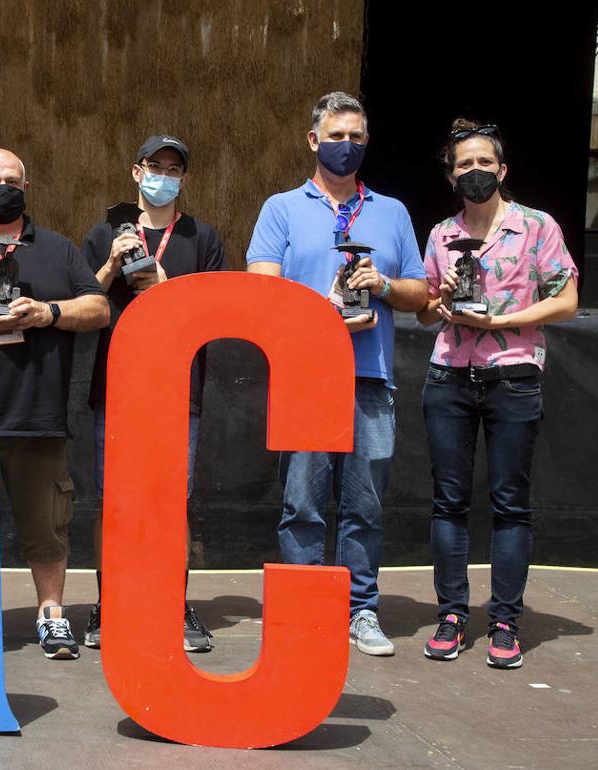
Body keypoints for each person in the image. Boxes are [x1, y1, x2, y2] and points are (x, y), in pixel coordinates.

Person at [246, 92, 427, 656]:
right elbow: (261, 288)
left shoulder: (392, 212)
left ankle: (361, 610)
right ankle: (303, 611)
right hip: (304, 374)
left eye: (356, 137)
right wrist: (317, 312)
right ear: (312, 140)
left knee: (366, 503)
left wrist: (384, 286)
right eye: (336, 135)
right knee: (302, 501)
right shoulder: (281, 207)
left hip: (369, 377)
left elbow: (421, 294)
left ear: (366, 144)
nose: (345, 146)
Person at [0, 148, 109, 659]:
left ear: (27, 188)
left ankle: (51, 614)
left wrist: (49, 312)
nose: (1, 187)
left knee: (47, 526)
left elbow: (97, 307)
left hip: (38, 417)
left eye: (11, 179)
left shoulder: (56, 249)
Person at [416, 120, 577, 669]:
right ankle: (452, 615)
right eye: (465, 165)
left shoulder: (537, 227)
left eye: (485, 162)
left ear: (503, 170)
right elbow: (427, 303)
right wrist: (436, 307)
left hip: (513, 376)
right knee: (448, 503)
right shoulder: (441, 234)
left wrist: (501, 322)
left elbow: (567, 300)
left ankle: (505, 620)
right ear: (451, 177)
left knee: (510, 505)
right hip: (449, 376)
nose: (475, 171)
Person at [82, 135, 225, 652]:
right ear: (135, 171)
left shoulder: (201, 237)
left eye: (174, 168)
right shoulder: (103, 234)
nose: (163, 175)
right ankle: (108, 602)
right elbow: (82, 306)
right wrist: (109, 266)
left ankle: (174, 603)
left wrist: (166, 286)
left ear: (183, 179)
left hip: (177, 392)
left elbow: (215, 316)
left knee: (173, 503)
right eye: (154, 165)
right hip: (116, 388)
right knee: (112, 501)